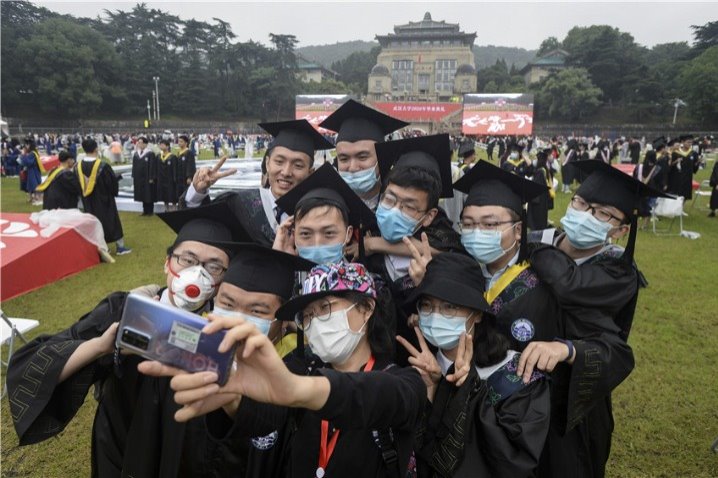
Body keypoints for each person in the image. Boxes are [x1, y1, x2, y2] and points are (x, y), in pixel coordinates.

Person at [6, 202, 254, 478]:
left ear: (224, 279)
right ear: (167, 263)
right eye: (187, 259)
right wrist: (102, 345)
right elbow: (36, 363)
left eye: (214, 266)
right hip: (121, 444)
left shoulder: (220, 333)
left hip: (186, 454)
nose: (197, 273)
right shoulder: (123, 308)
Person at [138, 261, 426, 478]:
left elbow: (382, 397)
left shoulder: (403, 379)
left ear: (365, 308)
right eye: (308, 316)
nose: (315, 322)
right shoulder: (300, 367)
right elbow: (268, 413)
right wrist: (235, 400)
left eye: (324, 307)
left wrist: (298, 390)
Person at [525, 160, 672, 478]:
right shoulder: (541, 239)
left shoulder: (618, 272)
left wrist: (525, 245)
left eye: (602, 213)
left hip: (573, 400)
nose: (586, 215)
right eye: (581, 203)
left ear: (620, 230)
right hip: (517, 388)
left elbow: (568, 286)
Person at [400, 252, 550, 477]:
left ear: (477, 314)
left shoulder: (517, 375)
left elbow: (514, 461)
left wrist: (467, 389)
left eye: (449, 307)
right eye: (427, 306)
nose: (435, 316)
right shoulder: (418, 365)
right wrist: (429, 395)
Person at [452, 160, 559, 353]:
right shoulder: (457, 270)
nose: (477, 232)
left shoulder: (546, 277)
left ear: (518, 230)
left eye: (490, 224)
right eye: (468, 224)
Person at [184, 120, 334, 247]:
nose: (286, 172)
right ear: (268, 164)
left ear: (311, 172)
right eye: (279, 161)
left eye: (298, 165)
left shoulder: (320, 214)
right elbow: (199, 229)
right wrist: (197, 193)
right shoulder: (239, 204)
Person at [273, 162, 377, 265]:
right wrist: (281, 263)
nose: (317, 244)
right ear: (294, 235)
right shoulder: (285, 276)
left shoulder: (362, 280)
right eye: (305, 234)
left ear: (348, 234)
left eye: (329, 233)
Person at [319, 99, 408, 211]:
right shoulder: (329, 207)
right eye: (344, 159)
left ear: (382, 158)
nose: (352, 167)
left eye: (362, 157)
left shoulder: (402, 208)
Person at [75, 137, 131, 255]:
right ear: (96, 148)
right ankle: (120, 247)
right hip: (104, 201)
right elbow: (111, 184)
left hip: (88, 201)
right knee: (111, 222)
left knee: (94, 223)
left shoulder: (78, 167)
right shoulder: (103, 166)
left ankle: (101, 248)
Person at [526, 149, 553, 230]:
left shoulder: (540, 172)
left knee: (537, 219)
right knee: (542, 217)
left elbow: (535, 186)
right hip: (543, 198)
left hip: (538, 200)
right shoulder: (546, 169)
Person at [132, 136, 158, 216]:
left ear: (146, 144)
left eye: (141, 143)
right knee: (142, 194)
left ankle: (150, 211)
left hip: (147, 178)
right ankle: (145, 210)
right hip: (139, 178)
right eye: (138, 143)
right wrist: (134, 176)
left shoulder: (150, 154)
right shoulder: (136, 154)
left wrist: (151, 177)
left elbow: (152, 166)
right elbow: (134, 166)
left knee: (149, 194)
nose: (139, 144)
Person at [156, 139, 181, 212]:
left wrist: (175, 178)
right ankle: (166, 208)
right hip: (161, 179)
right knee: (163, 194)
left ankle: (173, 208)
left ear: (167, 146)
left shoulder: (172, 157)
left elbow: (175, 169)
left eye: (163, 145)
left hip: (170, 179)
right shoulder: (158, 156)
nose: (161, 146)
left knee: (172, 194)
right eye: (160, 145)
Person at [20, 139, 44, 205]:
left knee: (33, 184)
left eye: (27, 145)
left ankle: (37, 198)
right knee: (31, 184)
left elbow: (28, 162)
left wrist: (23, 155)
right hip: (33, 170)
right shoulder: (34, 153)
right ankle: (31, 198)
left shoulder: (32, 154)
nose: (25, 146)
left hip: (33, 171)